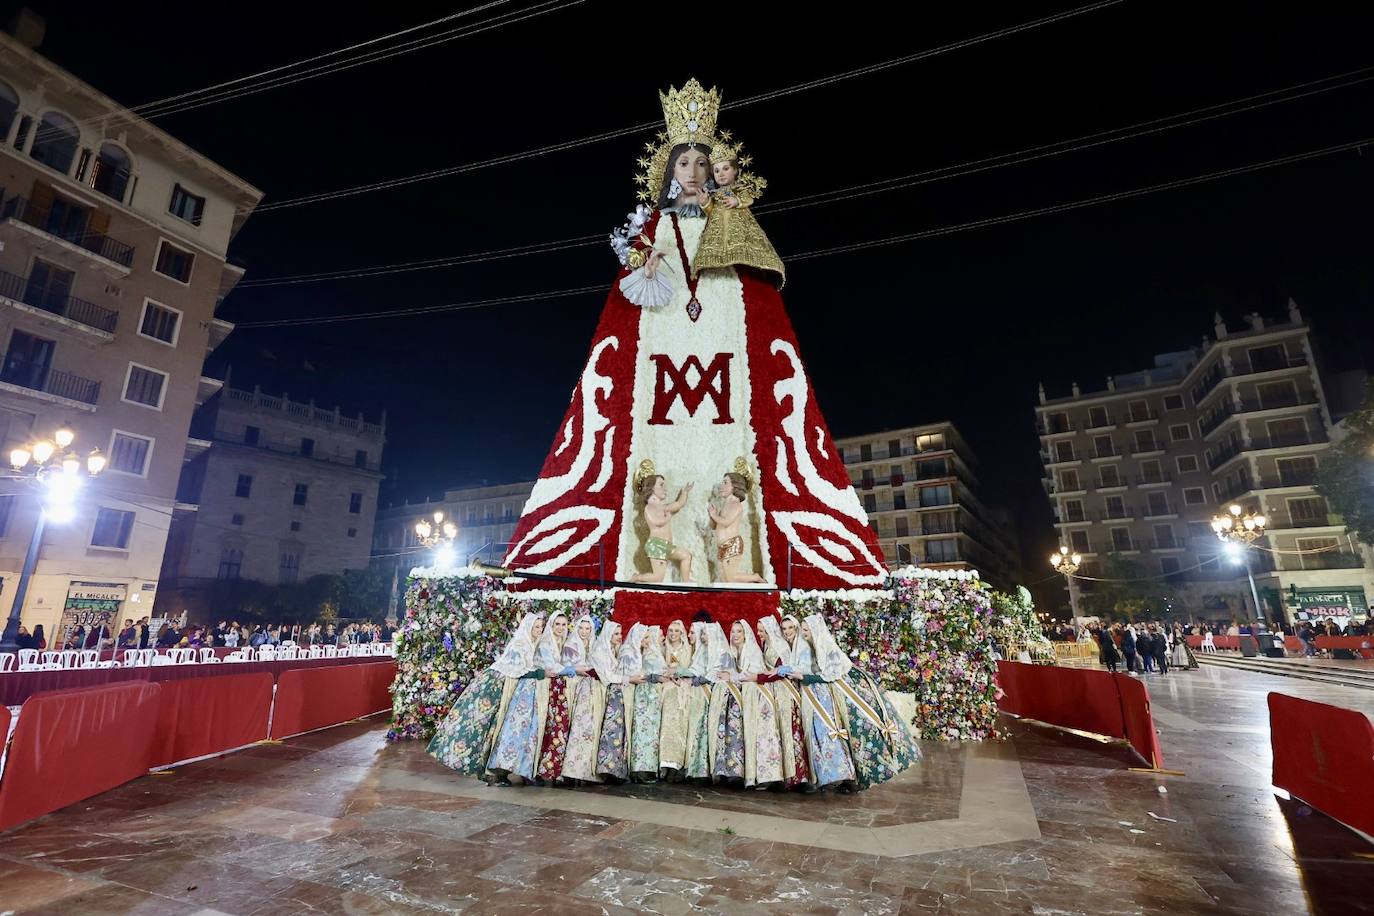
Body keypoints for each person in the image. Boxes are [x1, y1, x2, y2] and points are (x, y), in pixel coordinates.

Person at [429, 613, 546, 779]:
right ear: (528, 627)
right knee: (482, 723)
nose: (539, 630)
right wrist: (541, 673)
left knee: (493, 727)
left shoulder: (530, 643)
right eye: (536, 627)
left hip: (506, 684)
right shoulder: (520, 644)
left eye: (541, 627)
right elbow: (518, 669)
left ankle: (488, 770)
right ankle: (481, 768)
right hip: (495, 684)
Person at [759, 615, 812, 789]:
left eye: (791, 628)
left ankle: (800, 777)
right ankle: (785, 776)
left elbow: (794, 667)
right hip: (778, 690)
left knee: (792, 731)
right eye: (784, 629)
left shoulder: (784, 645)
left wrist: (776, 671)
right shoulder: (771, 644)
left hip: (788, 691)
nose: (787, 631)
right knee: (782, 731)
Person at [594, 621, 645, 783]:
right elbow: (608, 677)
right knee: (612, 731)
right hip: (613, 692)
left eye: (620, 633)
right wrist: (629, 679)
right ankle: (607, 769)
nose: (619, 636)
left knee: (618, 732)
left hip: (617, 693)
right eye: (615, 634)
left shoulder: (612, 650)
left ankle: (617, 770)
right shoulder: (601, 651)